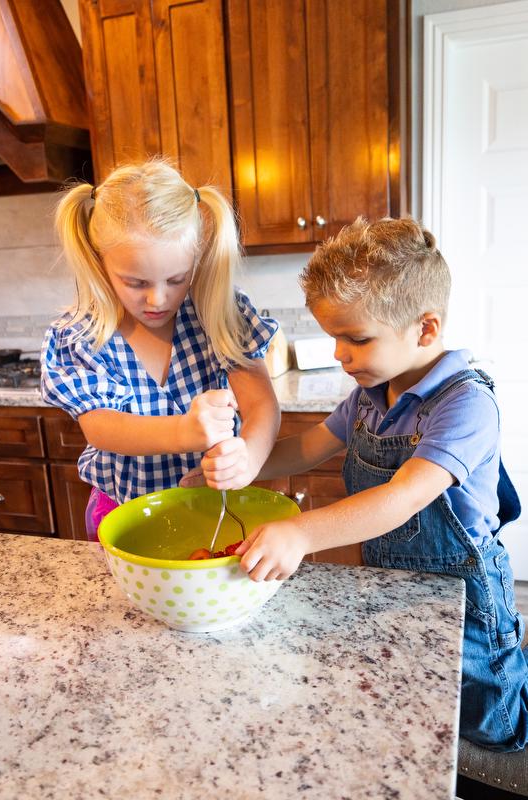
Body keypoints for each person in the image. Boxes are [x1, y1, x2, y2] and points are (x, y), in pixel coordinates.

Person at [185, 215, 527, 753]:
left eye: (357, 339)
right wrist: (241, 466)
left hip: (465, 595)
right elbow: (305, 448)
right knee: (417, 695)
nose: (340, 355)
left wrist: (299, 533)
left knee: (487, 714)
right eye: (334, 339)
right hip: (391, 581)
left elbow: (402, 499)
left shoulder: (466, 404)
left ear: (426, 329)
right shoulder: (370, 396)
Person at [41, 159, 280, 540]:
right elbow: (101, 426)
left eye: (176, 279)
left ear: (195, 262)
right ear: (100, 263)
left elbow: (261, 406)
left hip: (212, 510)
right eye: (135, 282)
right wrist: (183, 431)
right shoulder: (82, 334)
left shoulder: (215, 311)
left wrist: (248, 458)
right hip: (124, 515)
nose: (158, 298)